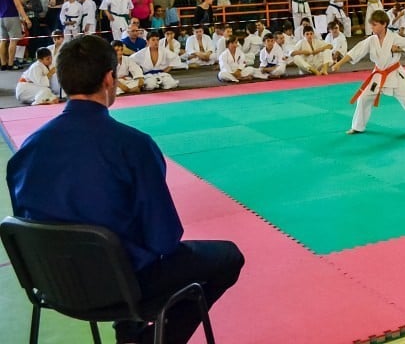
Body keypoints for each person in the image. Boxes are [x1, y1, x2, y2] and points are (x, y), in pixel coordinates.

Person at [6, 35, 244, 344]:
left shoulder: (27, 150)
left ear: (62, 80)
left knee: (114, 239)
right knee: (228, 257)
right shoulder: (133, 146)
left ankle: (129, 331)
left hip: (52, 283)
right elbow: (165, 239)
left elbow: (27, 222)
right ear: (109, 78)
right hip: (122, 285)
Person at [331, 9, 405, 135]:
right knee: (363, 98)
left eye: (375, 24)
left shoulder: (395, 38)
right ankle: (357, 126)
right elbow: (355, 51)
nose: (372, 27)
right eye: (371, 24)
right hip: (378, 75)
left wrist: (398, 49)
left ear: (384, 24)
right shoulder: (371, 40)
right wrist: (339, 63)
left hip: (394, 74)